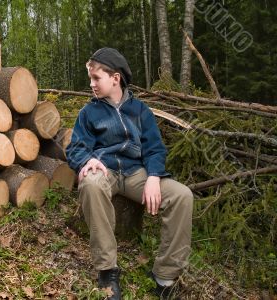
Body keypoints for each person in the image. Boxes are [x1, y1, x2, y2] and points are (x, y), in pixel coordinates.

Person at [66, 47, 193, 299]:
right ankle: (107, 271)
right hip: (106, 171)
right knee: (90, 184)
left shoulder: (141, 111)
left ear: (115, 78)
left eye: (96, 78)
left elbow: (155, 148)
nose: (91, 84)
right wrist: (87, 160)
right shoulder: (88, 112)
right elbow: (75, 147)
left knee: (182, 196)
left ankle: (165, 275)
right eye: (90, 78)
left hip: (138, 173)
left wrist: (154, 176)